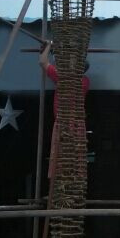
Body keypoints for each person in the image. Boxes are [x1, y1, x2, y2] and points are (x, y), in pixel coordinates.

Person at [38, 41, 90, 180]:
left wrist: (48, 46)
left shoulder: (63, 78)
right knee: (74, 156)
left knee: (61, 155)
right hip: (78, 124)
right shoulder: (85, 81)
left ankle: (63, 178)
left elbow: (42, 62)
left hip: (64, 123)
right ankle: (74, 177)